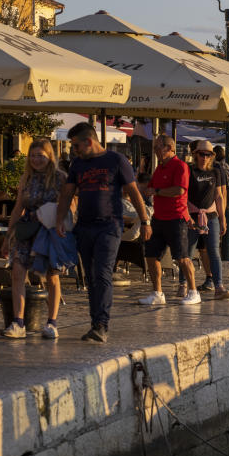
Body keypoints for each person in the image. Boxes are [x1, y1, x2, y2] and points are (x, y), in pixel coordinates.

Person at [56, 122, 151, 343]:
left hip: (109, 226)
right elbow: (67, 193)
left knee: (102, 273)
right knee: (90, 275)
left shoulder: (117, 161)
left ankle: (102, 324)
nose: (74, 151)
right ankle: (95, 322)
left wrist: (145, 220)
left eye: (77, 146)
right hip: (84, 226)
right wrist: (60, 219)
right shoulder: (78, 164)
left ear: (89, 141)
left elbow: (134, 192)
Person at [1, 139, 70, 339]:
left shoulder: (60, 178)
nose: (36, 160)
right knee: (17, 272)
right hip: (28, 228)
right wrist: (8, 236)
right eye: (33, 156)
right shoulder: (26, 178)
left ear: (50, 156)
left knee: (51, 275)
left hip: (49, 230)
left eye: (40, 155)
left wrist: (62, 225)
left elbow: (70, 204)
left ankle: (52, 322)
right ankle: (18, 322)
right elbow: (18, 208)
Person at [139, 134, 199, 306]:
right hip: (158, 218)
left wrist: (156, 191)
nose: (155, 151)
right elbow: (153, 187)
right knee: (151, 255)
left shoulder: (180, 166)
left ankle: (194, 291)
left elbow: (179, 190)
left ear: (169, 148)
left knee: (182, 257)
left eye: (158, 147)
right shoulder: (159, 168)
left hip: (176, 218)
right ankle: (157, 292)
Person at [183, 140, 229, 300]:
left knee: (214, 252)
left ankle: (219, 286)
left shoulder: (216, 171)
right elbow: (183, 195)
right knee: (188, 252)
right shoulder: (189, 170)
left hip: (211, 217)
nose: (204, 157)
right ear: (196, 155)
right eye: (201, 154)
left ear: (212, 156)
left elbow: (219, 196)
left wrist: (223, 219)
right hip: (193, 216)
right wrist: (186, 216)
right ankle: (185, 284)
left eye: (208, 154)